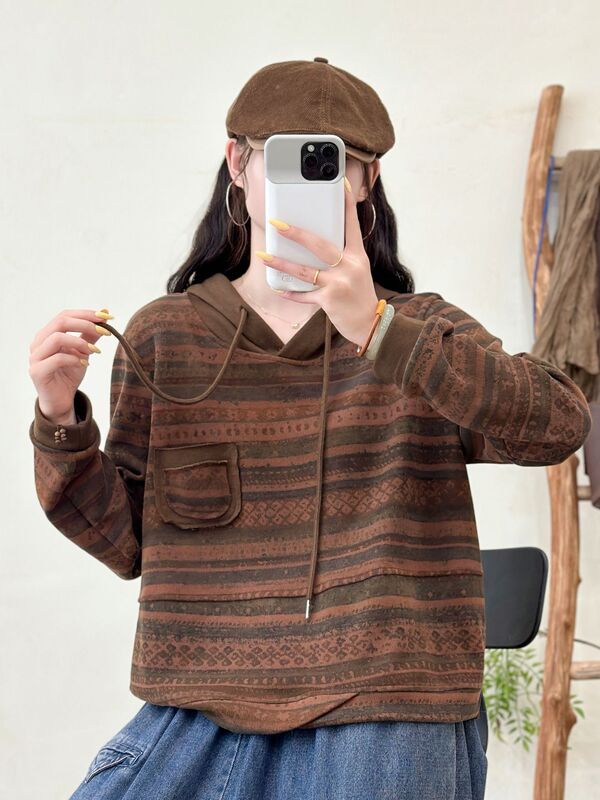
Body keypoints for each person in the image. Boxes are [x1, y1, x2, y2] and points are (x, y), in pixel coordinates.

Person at [27, 58, 592, 800]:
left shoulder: (420, 331)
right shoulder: (166, 337)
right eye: (284, 156)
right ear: (237, 164)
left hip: (386, 702)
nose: (309, 180)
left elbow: (558, 423)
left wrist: (381, 331)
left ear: (366, 181)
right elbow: (128, 545)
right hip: (201, 702)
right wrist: (59, 418)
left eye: (332, 162)